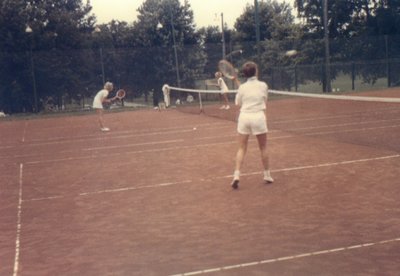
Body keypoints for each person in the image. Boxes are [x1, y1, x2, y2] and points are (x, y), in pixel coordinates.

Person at [231, 61, 273, 189]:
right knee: (263, 147)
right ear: (256, 72)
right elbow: (264, 100)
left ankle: (236, 175)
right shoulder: (263, 85)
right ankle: (267, 174)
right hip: (258, 117)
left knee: (241, 148)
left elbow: (238, 103)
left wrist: (238, 84)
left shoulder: (242, 88)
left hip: (244, 118)